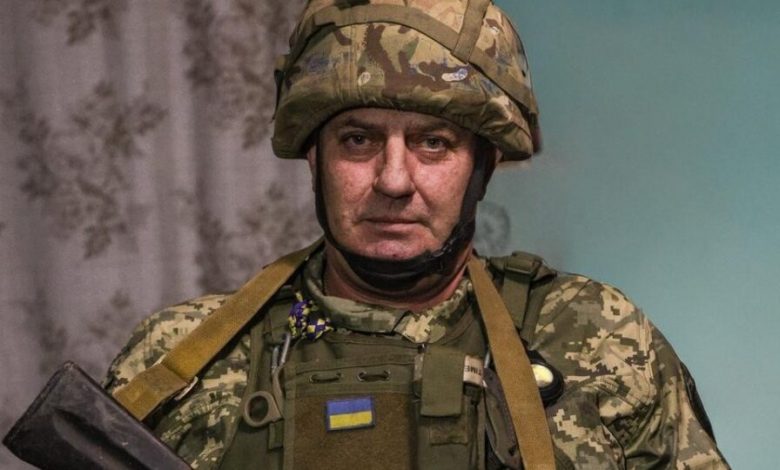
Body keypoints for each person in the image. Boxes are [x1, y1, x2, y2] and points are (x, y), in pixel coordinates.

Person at [104, 1, 730, 468]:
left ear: (483, 166)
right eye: (358, 140)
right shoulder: (176, 360)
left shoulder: (600, 340)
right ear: (315, 159)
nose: (394, 180)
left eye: (434, 143)